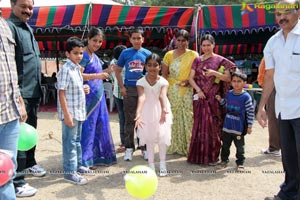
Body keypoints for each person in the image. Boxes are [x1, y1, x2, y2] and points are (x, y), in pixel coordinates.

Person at [256, 1, 300, 199]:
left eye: (287, 12)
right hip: (283, 108)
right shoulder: (273, 42)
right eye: (278, 13)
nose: (282, 17)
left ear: (298, 12)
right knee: (289, 157)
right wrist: (262, 106)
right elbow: (270, 76)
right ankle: (288, 193)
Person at [6, 0, 46, 197]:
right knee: (18, 139)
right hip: (20, 94)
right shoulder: (8, 28)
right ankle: (17, 181)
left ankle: (30, 164)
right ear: (12, 4)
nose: (28, 11)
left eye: (31, 7)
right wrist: (18, 95)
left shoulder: (26, 27)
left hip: (33, 91)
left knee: (30, 132)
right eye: (24, 6)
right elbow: (9, 64)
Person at [187, 34, 235, 165]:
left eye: (209, 45)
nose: (206, 48)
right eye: (204, 45)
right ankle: (197, 156)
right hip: (200, 98)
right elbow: (190, 78)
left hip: (214, 99)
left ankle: (213, 156)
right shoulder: (197, 60)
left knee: (213, 127)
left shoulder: (221, 61)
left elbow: (229, 78)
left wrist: (214, 73)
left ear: (214, 45)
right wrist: (199, 90)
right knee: (199, 126)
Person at [80, 27, 117, 167]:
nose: (97, 44)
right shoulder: (83, 55)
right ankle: (85, 160)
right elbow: (78, 75)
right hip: (88, 98)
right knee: (88, 128)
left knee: (98, 126)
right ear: (88, 39)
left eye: (100, 41)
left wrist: (108, 71)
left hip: (98, 97)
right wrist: (98, 75)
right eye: (94, 40)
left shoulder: (94, 56)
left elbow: (98, 72)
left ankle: (95, 157)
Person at [0, 14, 27, 200]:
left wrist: (19, 100)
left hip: (10, 113)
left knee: (7, 172)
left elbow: (11, 69)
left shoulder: (5, 26)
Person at [114, 28, 152, 161]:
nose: (137, 40)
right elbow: (117, 70)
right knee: (129, 119)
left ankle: (144, 148)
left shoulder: (147, 53)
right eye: (134, 38)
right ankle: (129, 148)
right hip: (129, 89)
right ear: (130, 39)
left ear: (143, 39)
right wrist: (122, 87)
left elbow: (152, 71)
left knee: (144, 120)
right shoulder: (125, 53)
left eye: (139, 38)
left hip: (144, 89)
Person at [57, 37, 90, 185]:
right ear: (67, 54)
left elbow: (74, 88)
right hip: (70, 112)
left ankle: (77, 166)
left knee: (76, 140)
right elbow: (61, 92)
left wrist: (84, 88)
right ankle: (70, 172)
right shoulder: (66, 69)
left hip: (79, 111)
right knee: (70, 142)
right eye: (75, 53)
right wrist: (67, 115)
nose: (79, 56)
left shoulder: (76, 68)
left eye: (81, 53)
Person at [162, 29, 198, 156]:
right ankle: (175, 145)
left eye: (184, 41)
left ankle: (189, 146)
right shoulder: (169, 55)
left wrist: (187, 83)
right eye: (179, 40)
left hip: (188, 90)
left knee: (189, 116)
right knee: (173, 117)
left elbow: (197, 74)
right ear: (175, 41)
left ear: (188, 41)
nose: (181, 43)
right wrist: (164, 92)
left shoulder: (194, 55)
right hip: (172, 90)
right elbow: (164, 75)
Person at [135, 54, 172, 177]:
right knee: (149, 139)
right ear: (145, 66)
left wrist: (164, 110)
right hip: (147, 111)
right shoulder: (140, 82)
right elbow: (142, 97)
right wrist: (138, 114)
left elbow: (162, 96)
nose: (152, 68)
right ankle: (151, 165)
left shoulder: (164, 81)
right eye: (149, 65)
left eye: (155, 65)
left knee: (162, 138)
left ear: (160, 67)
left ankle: (162, 164)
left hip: (162, 110)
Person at [215, 72, 255, 171]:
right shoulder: (229, 94)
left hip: (239, 128)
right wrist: (220, 100)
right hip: (227, 127)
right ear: (231, 82)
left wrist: (250, 125)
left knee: (240, 148)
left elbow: (250, 112)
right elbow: (225, 105)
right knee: (225, 146)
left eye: (239, 81)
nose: (236, 83)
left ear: (244, 83)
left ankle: (240, 163)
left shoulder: (246, 97)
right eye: (234, 81)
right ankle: (224, 161)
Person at [257, 58, 281, 157]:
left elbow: (264, 73)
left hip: (273, 86)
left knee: (273, 117)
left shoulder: (271, 51)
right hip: (290, 86)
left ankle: (274, 147)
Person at [110, 45, 127, 153]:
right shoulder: (126, 62)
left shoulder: (112, 62)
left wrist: (114, 84)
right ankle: (135, 142)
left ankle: (124, 143)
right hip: (127, 92)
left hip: (117, 92)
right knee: (131, 118)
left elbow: (112, 78)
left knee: (122, 118)